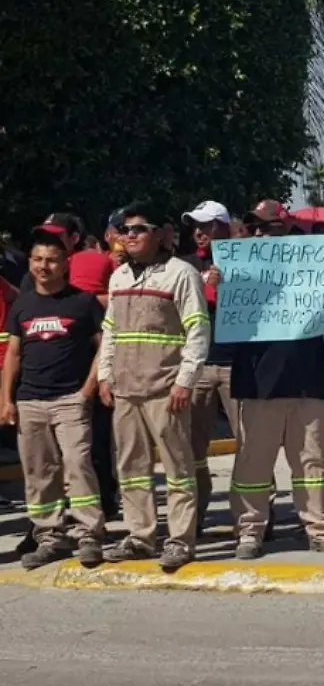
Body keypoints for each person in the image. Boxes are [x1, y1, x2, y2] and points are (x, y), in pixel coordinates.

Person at [223, 200, 324, 559]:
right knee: (253, 463)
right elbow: (219, 312)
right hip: (257, 382)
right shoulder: (239, 267)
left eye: (269, 227)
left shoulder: (313, 263)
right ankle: (249, 531)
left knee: (312, 463)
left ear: (285, 227)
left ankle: (322, 529)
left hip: (307, 379)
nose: (261, 233)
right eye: (256, 228)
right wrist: (217, 283)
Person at [97, 202, 210, 570]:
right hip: (126, 389)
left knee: (178, 469)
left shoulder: (180, 274)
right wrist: (104, 375)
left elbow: (197, 330)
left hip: (166, 389)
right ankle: (140, 537)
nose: (130, 235)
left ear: (160, 234)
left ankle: (180, 541)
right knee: (131, 468)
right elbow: (110, 331)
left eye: (139, 229)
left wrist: (185, 381)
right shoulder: (118, 278)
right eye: (125, 229)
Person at [1, 226, 106, 569]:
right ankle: (49, 537)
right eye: (37, 260)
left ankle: (88, 534)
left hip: (69, 400)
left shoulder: (82, 302)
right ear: (30, 261)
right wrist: (7, 399)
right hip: (30, 401)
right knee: (39, 473)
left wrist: (87, 391)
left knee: (78, 465)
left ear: (65, 264)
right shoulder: (22, 304)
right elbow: (13, 355)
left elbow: (104, 348)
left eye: (51, 261)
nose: (43, 267)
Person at [179, 200, 239, 531]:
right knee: (192, 446)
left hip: (236, 365)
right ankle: (196, 511)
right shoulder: (185, 264)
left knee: (249, 442)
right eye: (196, 226)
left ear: (224, 228)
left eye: (207, 225)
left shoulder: (246, 262)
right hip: (198, 365)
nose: (199, 232)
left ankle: (256, 514)